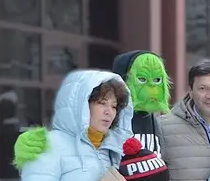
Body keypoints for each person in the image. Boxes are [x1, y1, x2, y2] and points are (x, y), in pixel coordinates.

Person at [12, 50, 171, 168]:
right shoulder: (106, 119)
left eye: (158, 80)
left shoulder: (153, 121)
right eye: (142, 79)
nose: (152, 87)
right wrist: (36, 148)